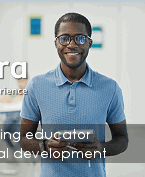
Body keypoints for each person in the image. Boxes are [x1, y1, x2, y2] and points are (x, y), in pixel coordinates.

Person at [19, 12, 128, 177]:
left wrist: (101, 148)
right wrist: (45, 146)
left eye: (80, 38)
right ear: (56, 43)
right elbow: (23, 138)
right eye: (64, 38)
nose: (71, 44)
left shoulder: (110, 88)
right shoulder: (36, 86)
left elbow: (122, 139)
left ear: (89, 43)